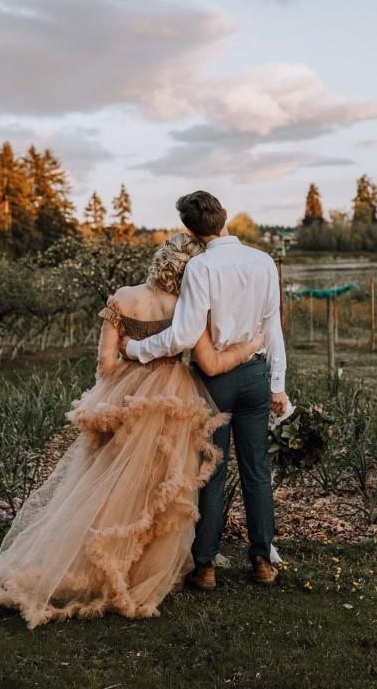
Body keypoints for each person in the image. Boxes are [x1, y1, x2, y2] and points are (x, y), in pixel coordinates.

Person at [0, 233, 263, 628]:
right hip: (172, 400)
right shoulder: (188, 308)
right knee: (158, 489)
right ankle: (144, 570)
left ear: (161, 260)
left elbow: (106, 364)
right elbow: (207, 360)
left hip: (122, 398)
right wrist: (251, 346)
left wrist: (120, 386)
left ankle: (88, 561)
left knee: (105, 483)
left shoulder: (122, 297)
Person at [122, 191, 287, 590]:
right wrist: (277, 384)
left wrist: (136, 349)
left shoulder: (200, 268)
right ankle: (263, 561)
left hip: (214, 380)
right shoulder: (264, 262)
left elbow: (182, 335)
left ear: (191, 230)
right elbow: (273, 327)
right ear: (225, 215)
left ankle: (206, 567)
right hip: (253, 379)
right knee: (257, 472)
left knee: (210, 474)